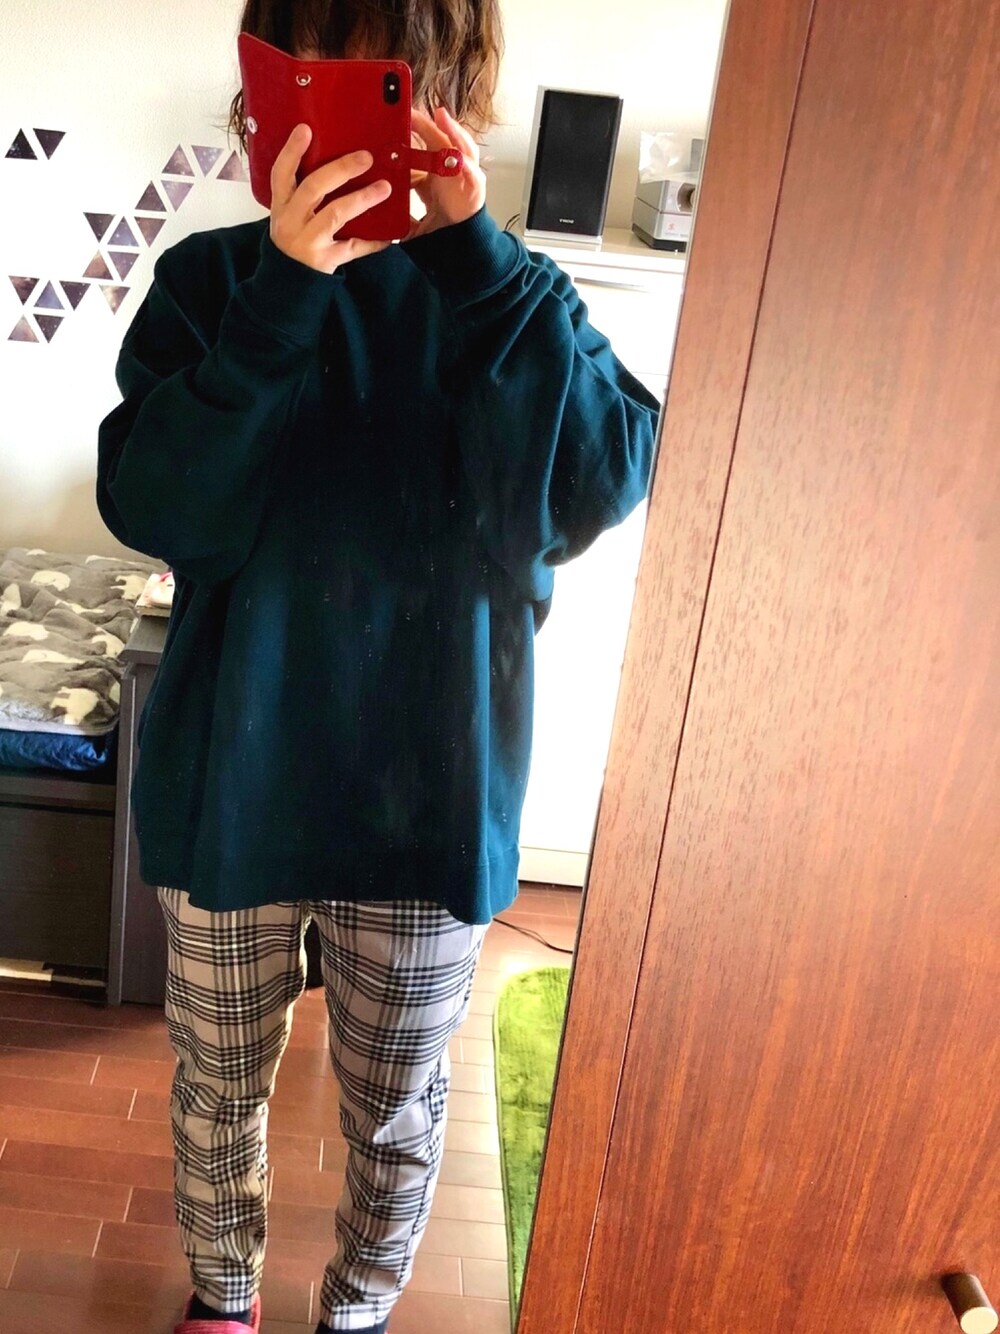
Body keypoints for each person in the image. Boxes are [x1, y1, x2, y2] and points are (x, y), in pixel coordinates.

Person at [96, 2, 660, 1331]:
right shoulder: (213, 288)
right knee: (215, 1082)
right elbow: (160, 507)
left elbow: (602, 478)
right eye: (310, 71)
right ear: (263, 95)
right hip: (231, 780)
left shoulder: (511, 301)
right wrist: (285, 295)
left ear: (449, 95)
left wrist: (481, 260)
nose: (345, 103)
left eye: (382, 78)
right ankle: (224, 1295)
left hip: (430, 796)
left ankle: (356, 1310)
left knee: (397, 1106)